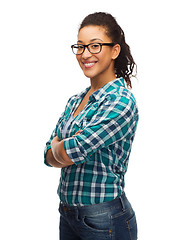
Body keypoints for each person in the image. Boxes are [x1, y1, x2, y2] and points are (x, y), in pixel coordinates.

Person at [44, 12, 139, 240]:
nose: (85, 54)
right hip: (67, 214)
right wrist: (60, 149)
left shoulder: (120, 100)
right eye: (80, 46)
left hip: (104, 218)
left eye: (95, 46)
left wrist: (62, 147)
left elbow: (74, 150)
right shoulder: (75, 100)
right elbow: (48, 154)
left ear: (114, 51)